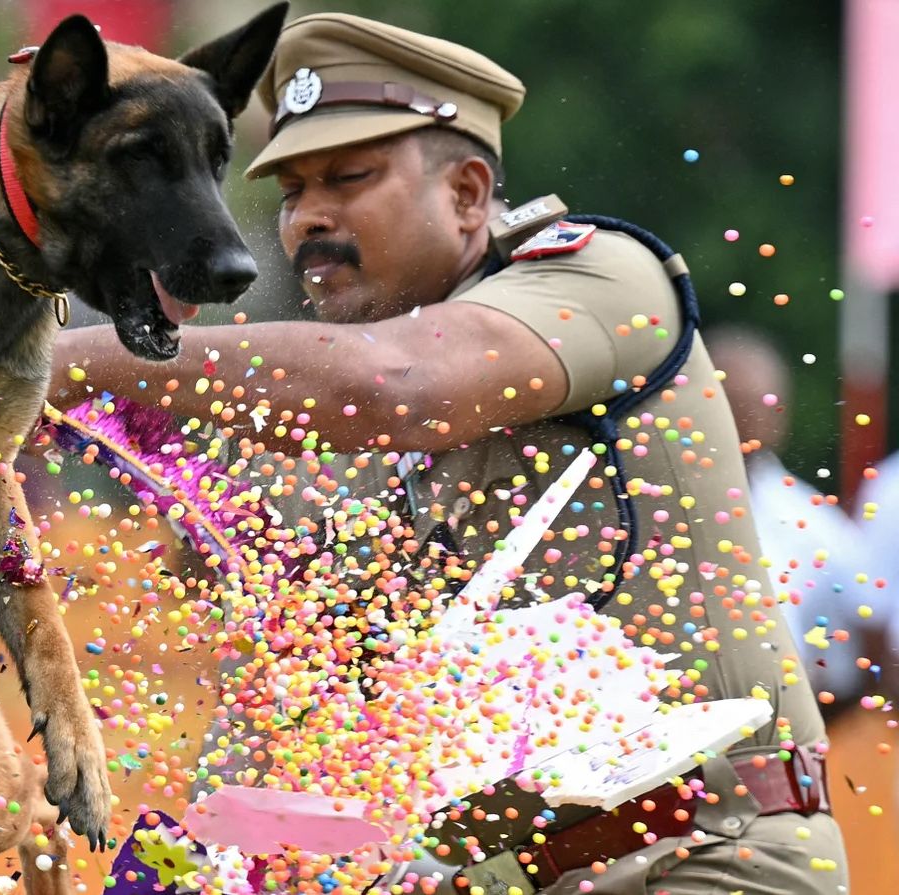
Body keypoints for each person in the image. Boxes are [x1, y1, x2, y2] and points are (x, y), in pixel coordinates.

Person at [52, 12, 845, 894]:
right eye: (290, 193)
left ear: (469, 192)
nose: (309, 217)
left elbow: (394, 387)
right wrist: (167, 875)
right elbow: (284, 714)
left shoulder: (603, 275)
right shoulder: (329, 443)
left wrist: (71, 365)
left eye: (347, 178)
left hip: (698, 858)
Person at [704, 325, 873, 711]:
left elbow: (867, 625)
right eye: (737, 400)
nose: (751, 417)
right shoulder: (652, 496)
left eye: (767, 404)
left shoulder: (807, 515)